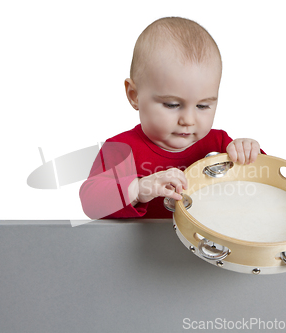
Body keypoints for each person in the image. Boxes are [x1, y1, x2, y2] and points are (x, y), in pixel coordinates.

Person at [80, 17, 263, 220]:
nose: (188, 120)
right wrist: (139, 189)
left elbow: (265, 186)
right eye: (172, 105)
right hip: (138, 251)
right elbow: (91, 202)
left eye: (203, 106)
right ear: (134, 95)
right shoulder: (120, 148)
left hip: (207, 250)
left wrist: (249, 152)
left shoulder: (220, 144)